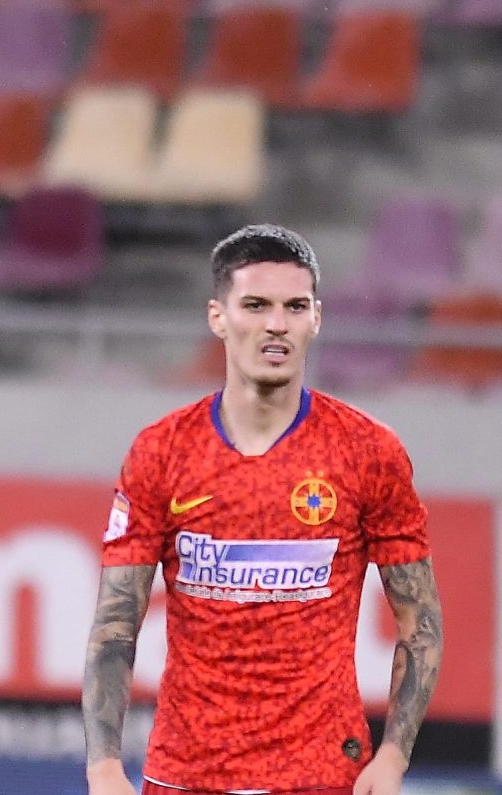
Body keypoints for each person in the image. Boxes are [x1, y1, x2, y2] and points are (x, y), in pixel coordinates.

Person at [83, 225, 444, 795]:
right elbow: (115, 626)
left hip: (323, 775)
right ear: (218, 317)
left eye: (294, 306)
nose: (277, 323)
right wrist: (103, 766)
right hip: (185, 774)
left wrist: (394, 756)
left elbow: (418, 623)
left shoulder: (367, 451)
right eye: (256, 305)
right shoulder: (162, 451)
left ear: (316, 319)